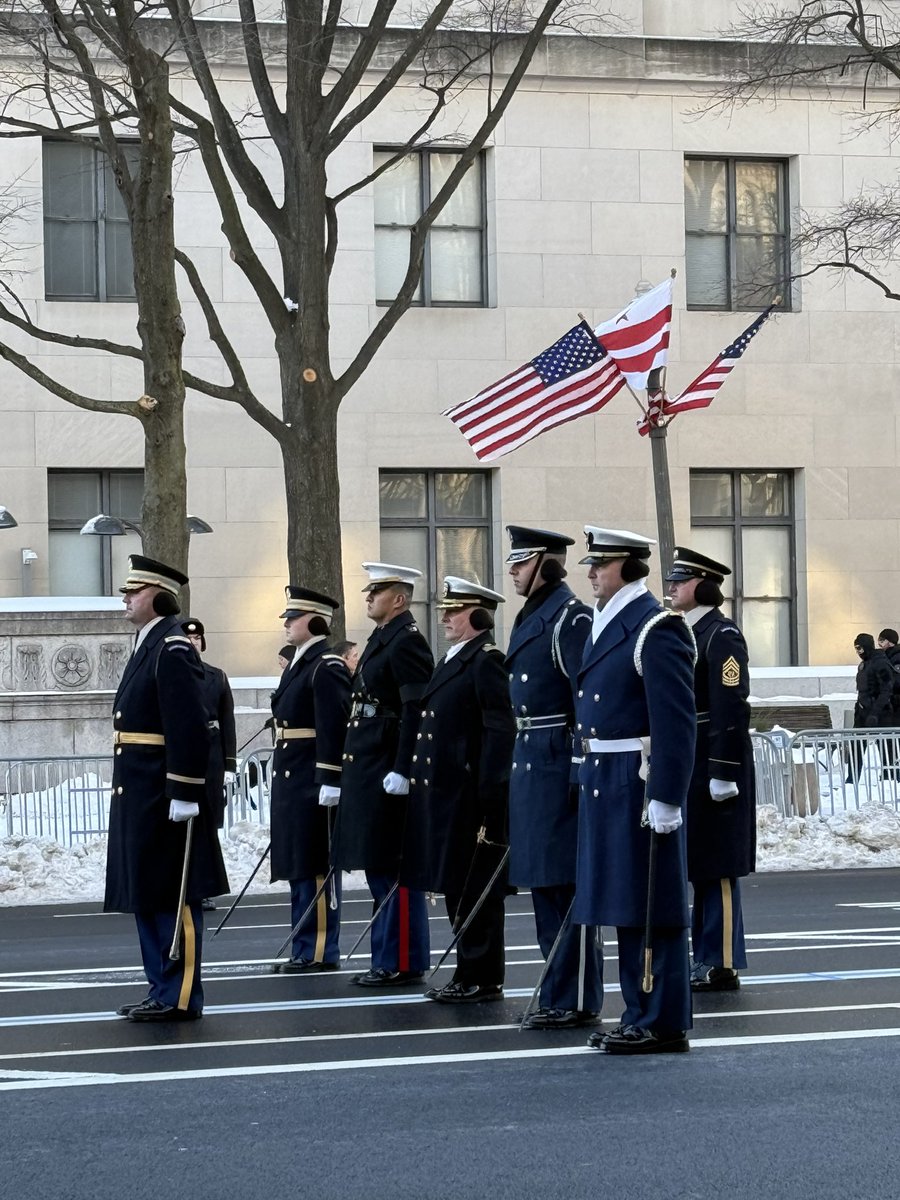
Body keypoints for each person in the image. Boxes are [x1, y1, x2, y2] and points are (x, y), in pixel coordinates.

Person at [573, 527, 696, 1055]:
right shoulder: (608, 623)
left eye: (599, 564)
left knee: (651, 903)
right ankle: (637, 1010)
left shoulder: (654, 626)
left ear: (625, 566)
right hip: (605, 778)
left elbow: (676, 722)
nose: (591, 572)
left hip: (637, 779)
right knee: (625, 901)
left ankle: (659, 1018)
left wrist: (666, 795)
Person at [106, 554, 229, 1023]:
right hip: (141, 789)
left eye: (134, 591)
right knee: (148, 893)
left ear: (158, 596)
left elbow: (189, 726)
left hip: (162, 791)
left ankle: (179, 995)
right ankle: (160, 986)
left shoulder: (173, 647)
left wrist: (184, 789)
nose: (126, 598)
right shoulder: (149, 644)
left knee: (174, 894)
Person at [504, 525, 602, 1029]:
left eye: (521, 562)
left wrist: (580, 768)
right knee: (545, 883)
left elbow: (587, 697)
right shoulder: (536, 616)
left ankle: (576, 994)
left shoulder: (569, 618)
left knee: (563, 884)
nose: (514, 571)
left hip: (557, 758)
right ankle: (559, 988)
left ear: (546, 562)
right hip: (532, 758)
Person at [402, 576, 517, 1004]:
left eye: (454, 611)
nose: (446, 618)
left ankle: (482, 975)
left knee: (475, 888)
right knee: (456, 885)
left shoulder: (486, 661)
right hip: (448, 796)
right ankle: (467, 969)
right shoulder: (454, 659)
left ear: (478, 616)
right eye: (445, 611)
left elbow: (499, 733)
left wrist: (492, 796)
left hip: (472, 798)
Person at [333, 564, 434, 987]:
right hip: (370, 761)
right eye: (368, 590)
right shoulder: (382, 638)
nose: (368, 596)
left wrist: (403, 767)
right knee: (379, 867)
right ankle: (387, 954)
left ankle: (402, 959)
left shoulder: (406, 642)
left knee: (393, 868)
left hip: (387, 762)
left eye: (378, 590)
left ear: (400, 598)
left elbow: (415, 709)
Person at [665, 547, 755, 992]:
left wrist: (724, 770)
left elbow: (731, 705)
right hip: (692, 756)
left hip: (716, 758)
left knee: (716, 864)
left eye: (680, 581)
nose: (672, 587)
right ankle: (704, 952)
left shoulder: (721, 635)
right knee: (698, 860)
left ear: (701, 585)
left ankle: (719, 960)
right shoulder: (685, 631)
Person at [269, 586, 351, 973]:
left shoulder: (326, 665)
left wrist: (331, 779)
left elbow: (333, 727)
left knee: (314, 863)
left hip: (311, 779)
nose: (286, 622)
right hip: (293, 776)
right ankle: (304, 945)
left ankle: (318, 949)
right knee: (299, 865)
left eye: (294, 616)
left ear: (315, 621)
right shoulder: (304, 662)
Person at [182, 617, 237, 911]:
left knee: (208, 826)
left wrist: (229, 764)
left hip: (211, 761)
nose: (194, 642)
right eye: (188, 638)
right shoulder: (175, 675)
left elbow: (227, 719)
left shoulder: (217, 676)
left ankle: (202, 886)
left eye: (197, 638)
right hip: (185, 760)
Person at [847, 632, 894, 783]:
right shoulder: (865, 664)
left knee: (886, 750)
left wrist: (875, 712)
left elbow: (887, 689)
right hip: (863, 711)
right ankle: (852, 780)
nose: (858, 653)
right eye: (856, 649)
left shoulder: (880, 662)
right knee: (856, 747)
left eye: (860, 649)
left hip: (881, 713)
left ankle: (889, 780)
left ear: (867, 647)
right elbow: (863, 690)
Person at [877, 629, 900, 778]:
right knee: (887, 740)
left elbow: (895, 682)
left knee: (890, 741)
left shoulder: (896, 658)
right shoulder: (886, 657)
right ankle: (889, 771)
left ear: (890, 641)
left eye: (881, 640)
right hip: (890, 706)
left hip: (895, 706)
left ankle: (891, 772)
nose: (879, 643)